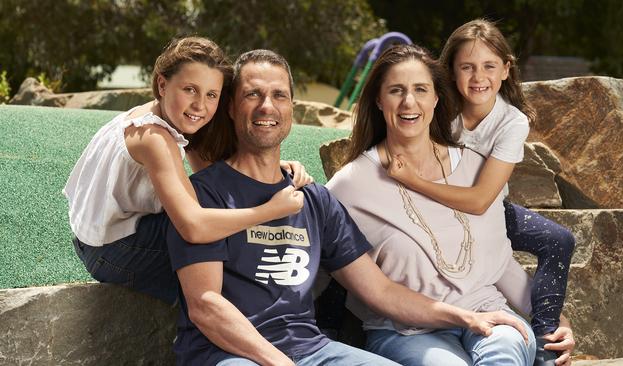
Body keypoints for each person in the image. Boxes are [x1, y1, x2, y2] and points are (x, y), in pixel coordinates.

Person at [165, 49, 531, 366]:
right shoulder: (204, 196)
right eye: (253, 95)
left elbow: (381, 292)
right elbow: (206, 305)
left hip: (310, 351)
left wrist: (466, 317)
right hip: (227, 354)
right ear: (230, 106)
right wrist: (277, 361)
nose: (267, 106)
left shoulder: (315, 200)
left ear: (291, 107)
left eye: (279, 95)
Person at [327, 44, 575, 366]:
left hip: (488, 313)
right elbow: (319, 260)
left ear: (436, 98)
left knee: (507, 349)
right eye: (396, 91)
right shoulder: (351, 185)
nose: (409, 102)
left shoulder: (475, 166)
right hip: (408, 331)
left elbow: (498, 265)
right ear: (378, 99)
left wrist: (555, 321)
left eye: (420, 89)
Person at [63, 37, 311, 305]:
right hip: (109, 249)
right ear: (162, 84)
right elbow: (193, 227)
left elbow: (217, 179)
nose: (200, 105)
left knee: (225, 224)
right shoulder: (153, 137)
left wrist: (271, 168)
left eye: (211, 95)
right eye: (190, 89)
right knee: (226, 249)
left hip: (106, 233)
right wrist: (271, 209)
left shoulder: (169, 116)